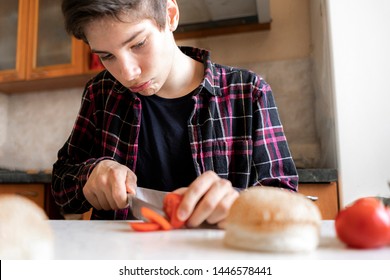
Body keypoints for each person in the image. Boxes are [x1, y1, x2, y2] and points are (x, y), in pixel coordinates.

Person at [52, 0, 298, 227]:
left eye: (138, 44)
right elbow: (62, 190)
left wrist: (239, 203)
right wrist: (90, 175)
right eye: (107, 56)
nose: (127, 73)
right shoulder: (100, 93)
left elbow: (285, 199)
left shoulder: (248, 91)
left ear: (170, 15)